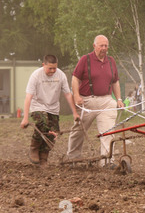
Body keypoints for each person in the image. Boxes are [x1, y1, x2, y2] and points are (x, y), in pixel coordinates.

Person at [66, 35, 124, 167]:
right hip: (87, 101)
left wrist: (119, 99)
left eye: (106, 46)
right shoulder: (85, 60)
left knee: (108, 131)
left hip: (107, 101)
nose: (104, 48)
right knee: (79, 130)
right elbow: (75, 79)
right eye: (101, 46)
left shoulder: (111, 61)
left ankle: (106, 161)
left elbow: (115, 81)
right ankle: (73, 157)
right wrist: (76, 96)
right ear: (94, 46)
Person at [20, 55, 80, 167]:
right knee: (42, 123)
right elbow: (28, 97)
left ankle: (43, 157)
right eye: (50, 68)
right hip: (38, 106)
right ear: (43, 65)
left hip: (53, 108)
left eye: (54, 68)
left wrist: (75, 113)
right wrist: (25, 118)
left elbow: (67, 94)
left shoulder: (61, 75)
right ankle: (34, 148)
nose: (52, 71)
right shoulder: (36, 75)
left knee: (53, 133)